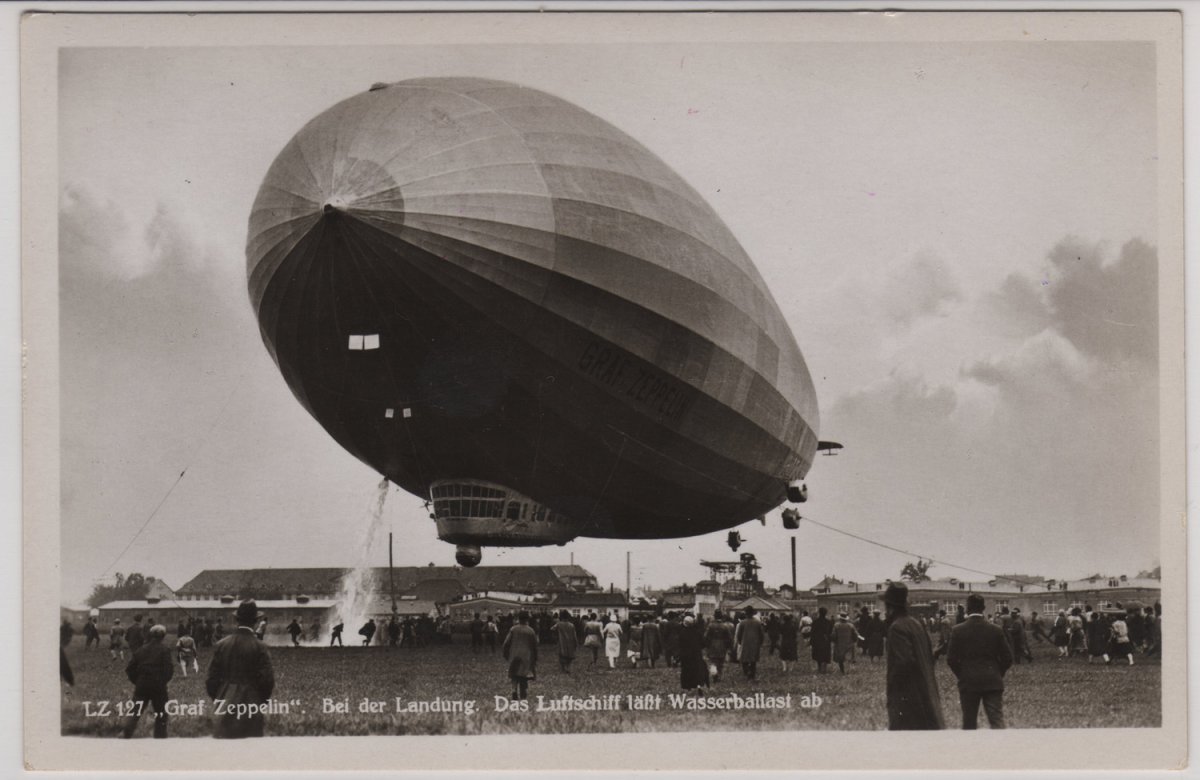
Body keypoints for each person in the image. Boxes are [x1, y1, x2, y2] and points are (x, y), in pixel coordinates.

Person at [206, 601, 276, 738]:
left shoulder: (221, 645)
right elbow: (267, 681)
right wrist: (260, 701)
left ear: (237, 620)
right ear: (255, 621)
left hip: (224, 703)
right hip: (252, 703)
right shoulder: (260, 646)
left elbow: (211, 680)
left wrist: (220, 697)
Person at [882, 582, 944, 730]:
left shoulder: (897, 627)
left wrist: (895, 693)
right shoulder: (916, 624)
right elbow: (929, 655)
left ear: (890, 607)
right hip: (926, 691)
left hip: (909, 697)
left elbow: (903, 663)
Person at [947, 593, 1012, 729]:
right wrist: (997, 672)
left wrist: (963, 673)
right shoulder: (996, 630)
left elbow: (951, 659)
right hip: (993, 681)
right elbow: (1007, 658)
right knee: (997, 722)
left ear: (967, 609)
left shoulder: (957, 630)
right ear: (983, 608)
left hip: (968, 681)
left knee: (969, 723)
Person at [121, 624, 173, 738]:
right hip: (158, 686)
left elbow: (130, 669)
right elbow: (169, 670)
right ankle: (160, 738)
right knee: (161, 713)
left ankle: (125, 734)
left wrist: (138, 681)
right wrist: (162, 681)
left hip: (142, 685)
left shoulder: (141, 650)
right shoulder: (165, 650)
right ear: (163, 636)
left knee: (135, 711)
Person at [502, 610, 538, 700]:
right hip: (526, 656)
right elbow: (535, 645)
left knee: (514, 674)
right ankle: (523, 693)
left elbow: (506, 643)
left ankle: (514, 690)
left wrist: (506, 654)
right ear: (527, 619)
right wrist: (535, 657)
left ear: (518, 618)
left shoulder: (513, 629)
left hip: (514, 655)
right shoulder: (531, 631)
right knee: (523, 675)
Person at [678, 614, 710, 693]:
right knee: (697, 670)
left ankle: (688, 687)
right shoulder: (697, 632)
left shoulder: (682, 633)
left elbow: (679, 645)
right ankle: (699, 685)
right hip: (696, 654)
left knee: (687, 670)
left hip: (685, 655)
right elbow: (703, 643)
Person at [734, 606, 765, 680]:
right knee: (753, 660)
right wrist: (760, 642)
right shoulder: (757, 622)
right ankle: (752, 674)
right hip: (755, 643)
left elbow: (739, 634)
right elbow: (761, 634)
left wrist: (740, 641)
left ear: (746, 613)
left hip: (745, 643)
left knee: (744, 659)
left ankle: (746, 672)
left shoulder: (742, 623)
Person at [703, 611, 735, 683]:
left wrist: (707, 645)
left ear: (715, 616)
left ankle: (714, 675)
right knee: (720, 662)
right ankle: (719, 675)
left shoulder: (710, 625)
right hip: (722, 645)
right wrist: (728, 646)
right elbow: (729, 638)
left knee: (713, 661)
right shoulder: (724, 626)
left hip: (712, 645)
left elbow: (705, 636)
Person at [810, 607, 833, 673]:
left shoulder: (815, 622)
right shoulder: (828, 622)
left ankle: (819, 667)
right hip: (825, 640)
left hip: (817, 640)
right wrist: (829, 639)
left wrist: (812, 641)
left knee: (818, 654)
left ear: (819, 613)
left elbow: (812, 632)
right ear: (826, 613)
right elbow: (831, 632)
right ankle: (824, 668)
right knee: (825, 654)